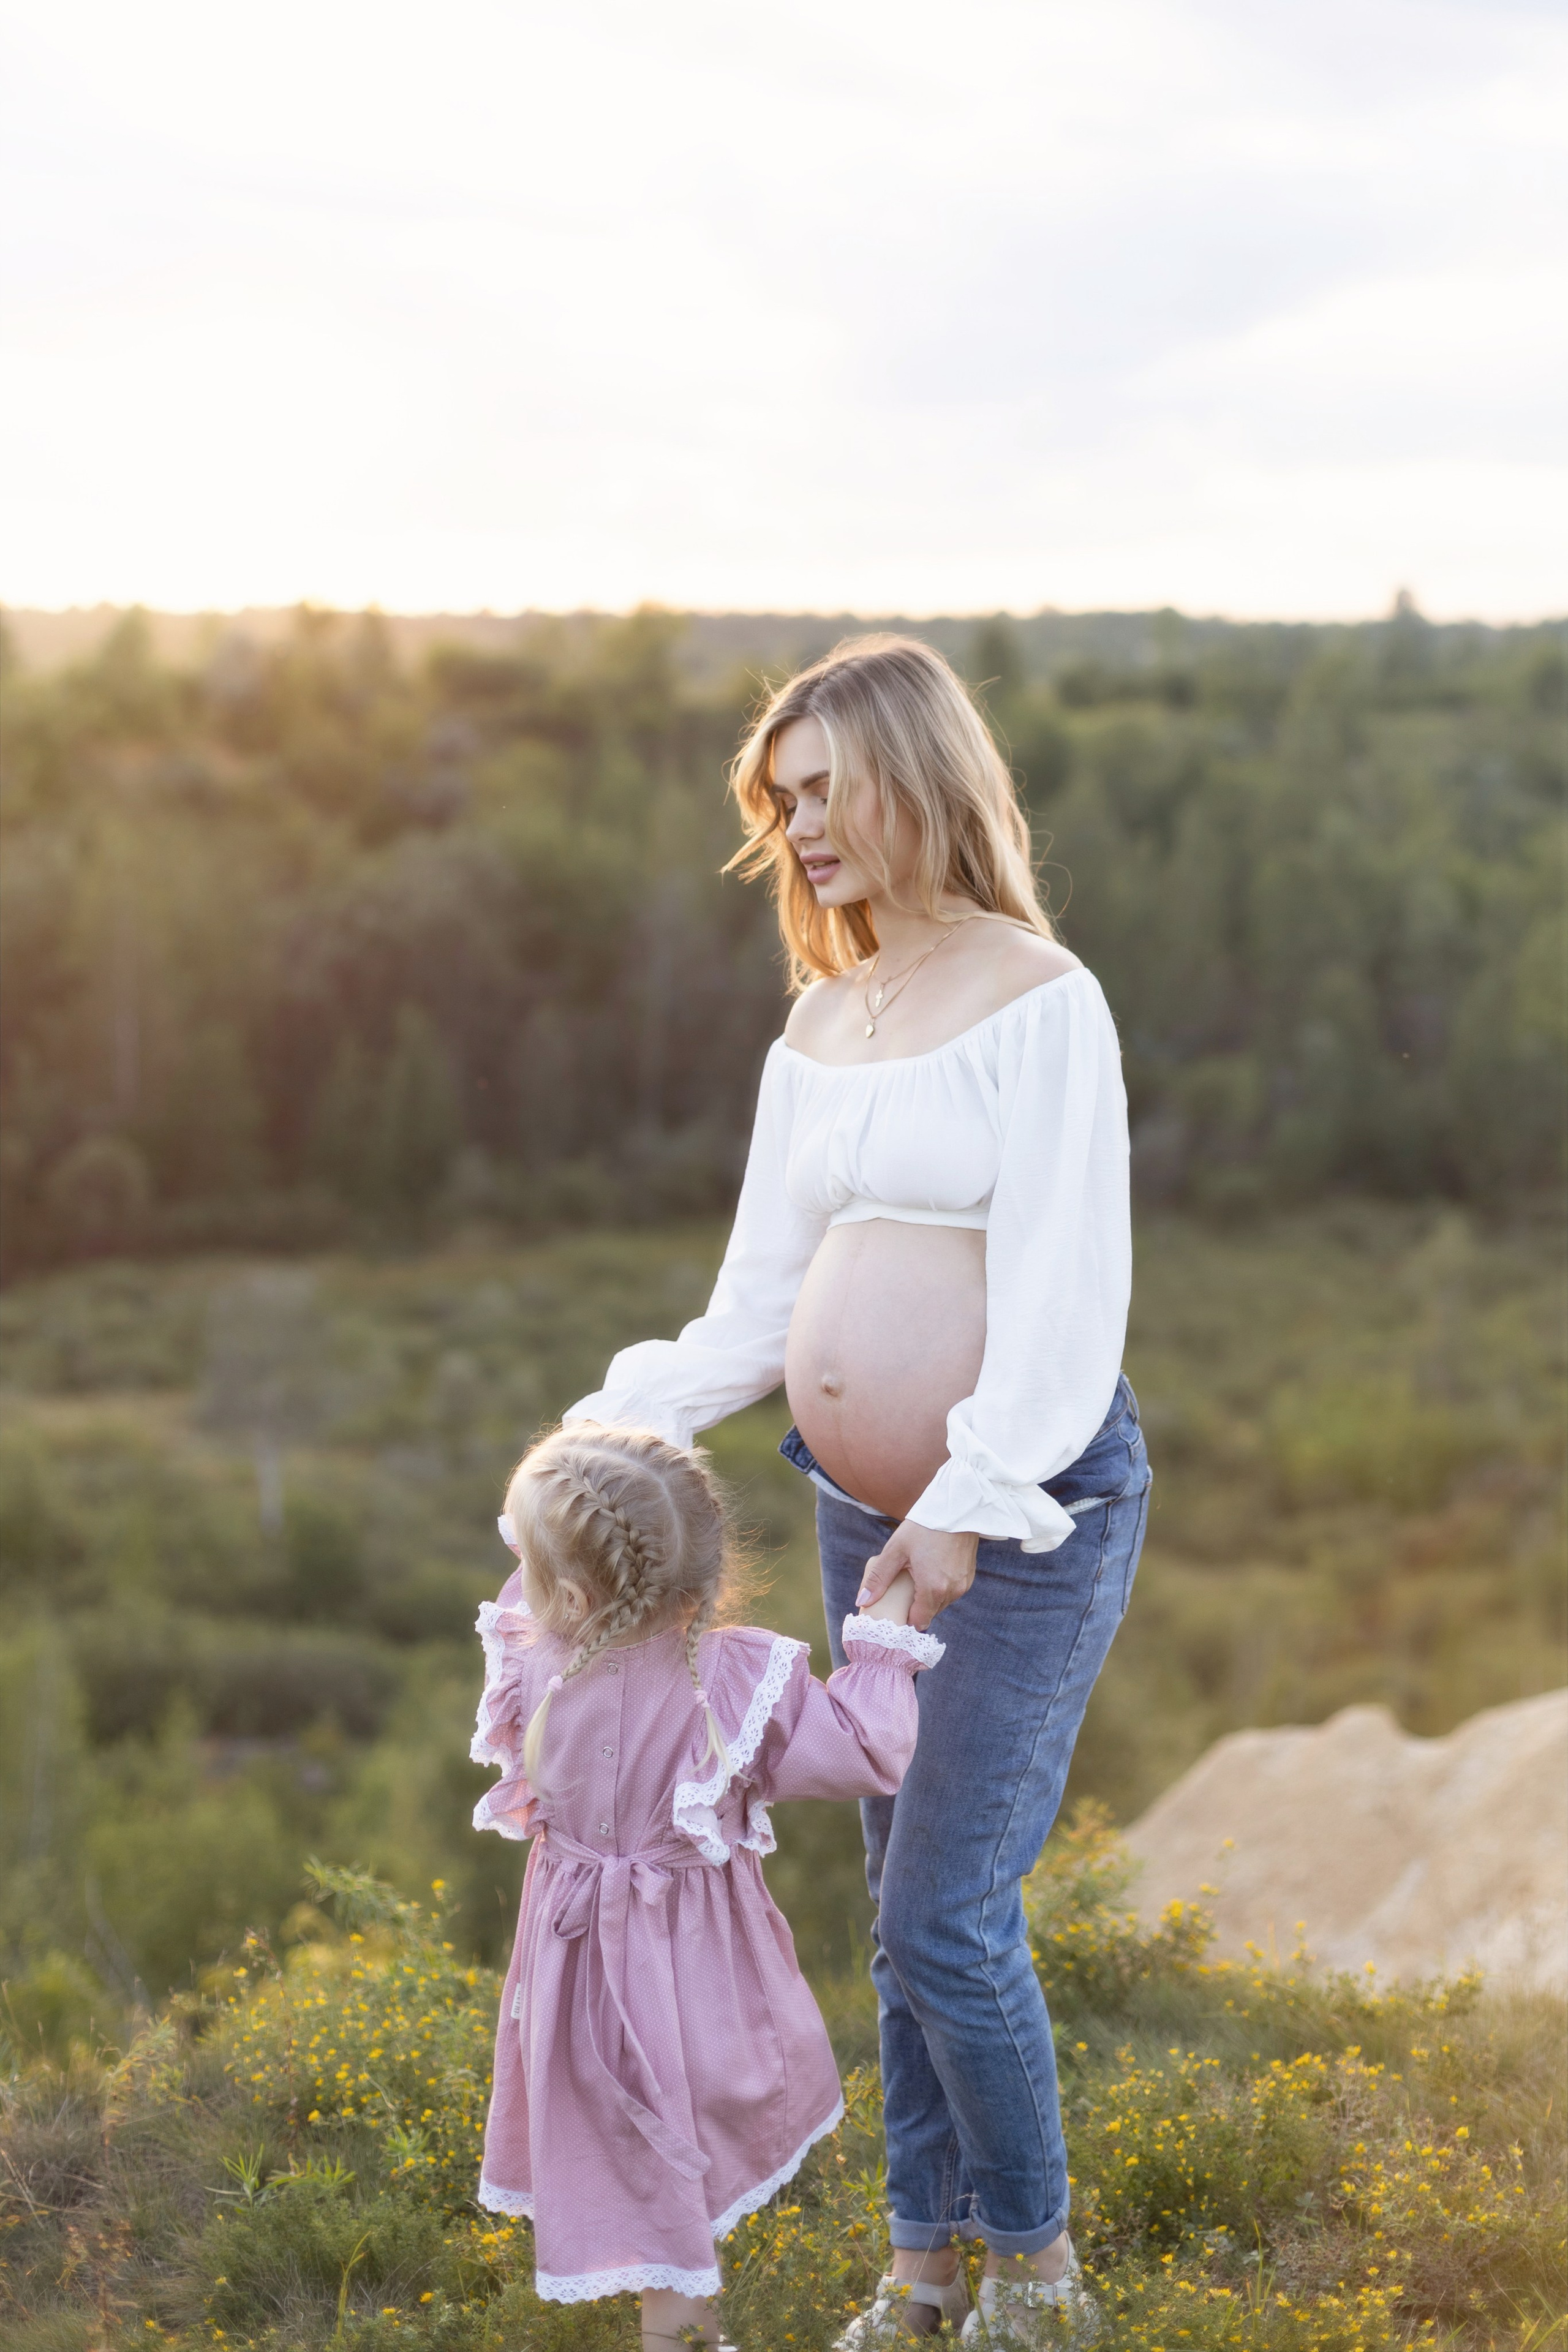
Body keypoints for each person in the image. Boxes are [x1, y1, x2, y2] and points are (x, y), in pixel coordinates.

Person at [564, 635, 1151, 2346]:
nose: (798, 826)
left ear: (917, 774)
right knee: (894, 1918)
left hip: (1019, 1517)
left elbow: (1065, 1298)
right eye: (781, 798)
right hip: (858, 1508)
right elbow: (760, 1304)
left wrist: (966, 1499)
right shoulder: (823, 1022)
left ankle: (1039, 2281)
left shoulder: (1042, 997)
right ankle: (917, 2269)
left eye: (825, 788)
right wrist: (615, 1422)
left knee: (944, 1910)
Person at [471, 1420, 943, 2349]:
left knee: (617, 2118)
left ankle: (675, 2324)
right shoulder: (735, 1679)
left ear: (564, 1586)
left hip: (571, 1960)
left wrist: (600, 1499)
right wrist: (885, 1640)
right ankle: (678, 2334)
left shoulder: (531, 1655)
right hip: (687, 1959)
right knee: (676, 2111)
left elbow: (569, 1561)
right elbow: (862, 1751)